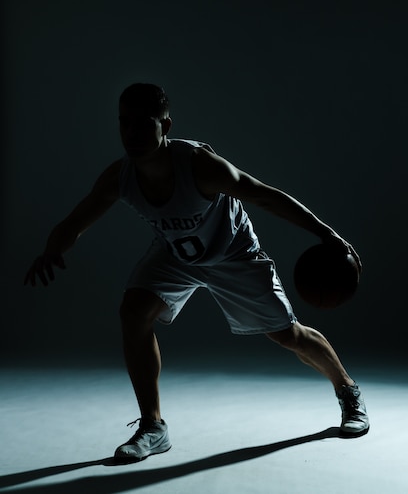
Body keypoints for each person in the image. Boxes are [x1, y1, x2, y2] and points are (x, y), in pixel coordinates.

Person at [25, 83, 369, 463]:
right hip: (176, 255)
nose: (133, 134)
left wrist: (328, 234)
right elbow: (75, 221)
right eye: (125, 123)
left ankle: (348, 391)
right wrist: (52, 249)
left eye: (144, 124)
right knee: (133, 312)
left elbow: (264, 194)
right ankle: (153, 427)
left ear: (165, 125)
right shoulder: (120, 177)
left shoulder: (199, 166)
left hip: (233, 254)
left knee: (288, 335)